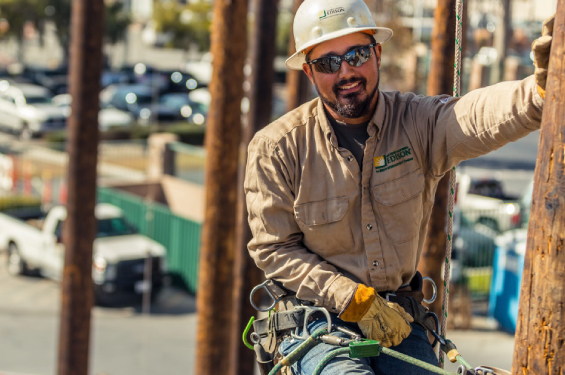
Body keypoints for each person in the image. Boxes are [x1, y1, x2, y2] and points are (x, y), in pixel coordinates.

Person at [244, 0, 553, 373]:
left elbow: (475, 116)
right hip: (318, 322)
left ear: (377, 53)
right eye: (328, 62)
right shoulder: (278, 148)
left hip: (400, 321)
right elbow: (275, 250)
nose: (346, 72)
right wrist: (351, 298)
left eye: (357, 54)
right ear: (310, 72)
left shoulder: (417, 123)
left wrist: (538, 92)